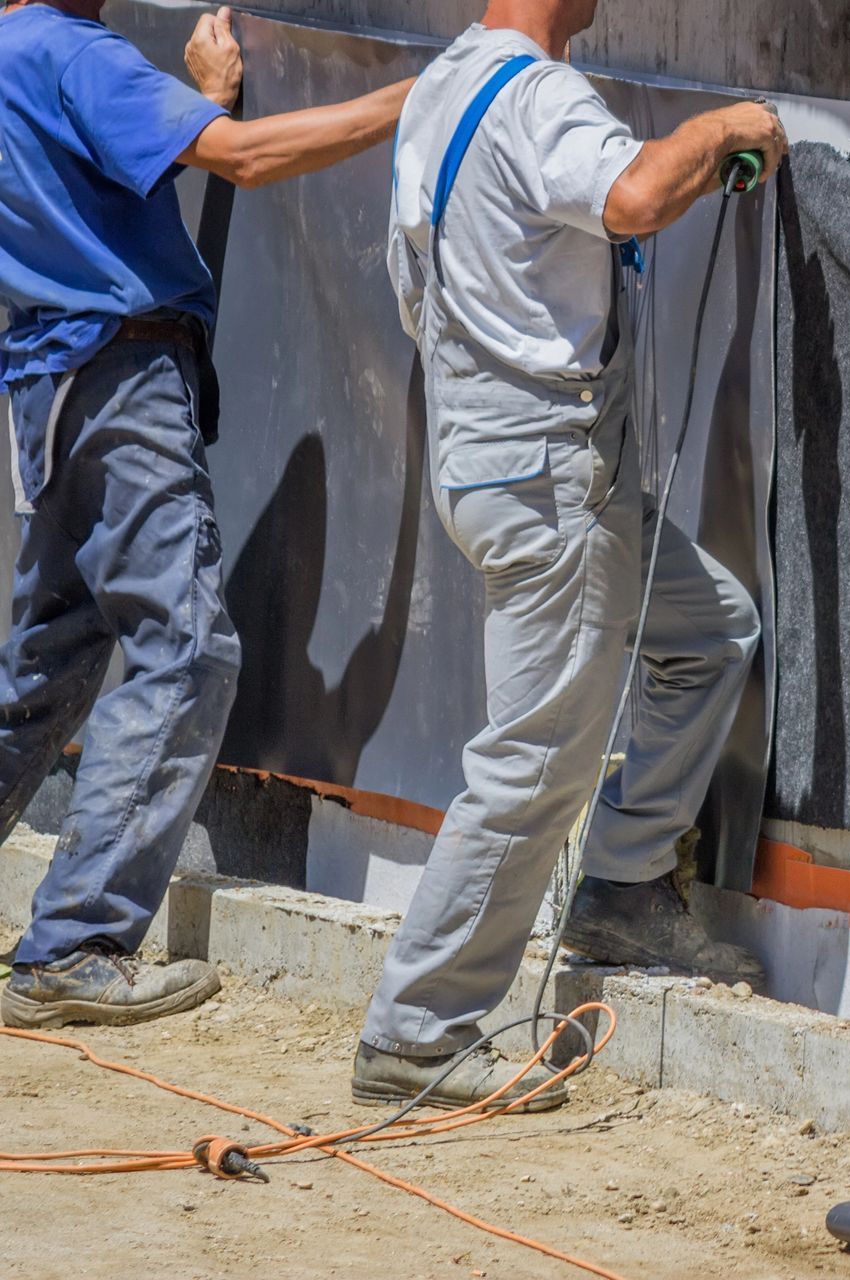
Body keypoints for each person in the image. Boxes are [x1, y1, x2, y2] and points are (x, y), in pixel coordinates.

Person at [354, 0, 786, 1113]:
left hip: (490, 457)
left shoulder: (443, 86)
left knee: (710, 627)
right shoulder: (540, 95)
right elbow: (635, 194)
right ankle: (418, 1028)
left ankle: (627, 881)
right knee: (538, 760)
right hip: (550, 481)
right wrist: (723, 127)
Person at [0, 1, 413, 1029]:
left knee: (47, 663)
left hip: (52, 388)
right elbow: (250, 158)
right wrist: (417, 98)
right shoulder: (71, 54)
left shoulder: (14, 58)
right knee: (187, 649)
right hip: (121, 378)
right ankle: (75, 945)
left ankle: (71, 940)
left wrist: (200, 105)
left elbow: (84, 192)